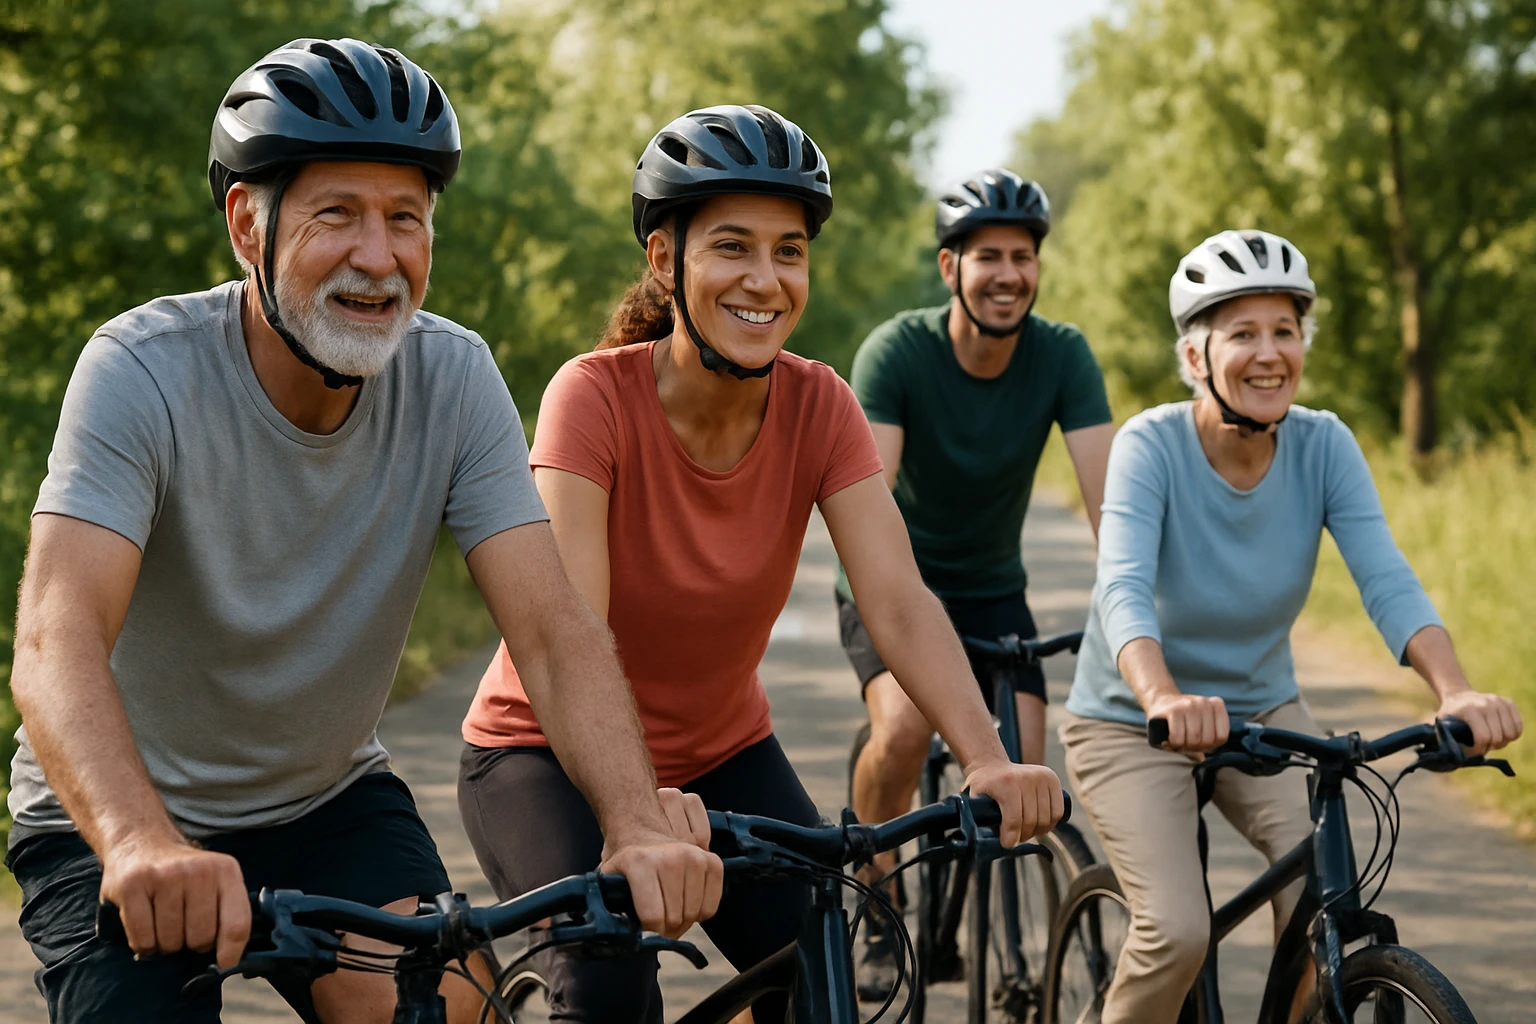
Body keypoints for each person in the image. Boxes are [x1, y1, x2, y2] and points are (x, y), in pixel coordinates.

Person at [5, 38, 717, 1024]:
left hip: (323, 803)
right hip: (115, 817)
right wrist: (138, 842)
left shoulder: (455, 377)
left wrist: (636, 824)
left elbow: (554, 631)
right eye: (337, 214)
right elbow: (54, 641)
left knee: (449, 1006)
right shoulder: (141, 369)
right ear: (246, 223)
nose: (378, 258)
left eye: (406, 219)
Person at [458, 106, 1066, 1022]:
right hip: (541, 752)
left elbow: (896, 597)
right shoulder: (592, 397)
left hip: (721, 753)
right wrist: (631, 811)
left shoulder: (820, 402)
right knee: (610, 980)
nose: (766, 279)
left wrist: (986, 758)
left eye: (789, 251)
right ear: (666, 261)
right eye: (733, 247)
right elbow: (566, 625)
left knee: (821, 975)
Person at [1060, 229, 1524, 1024]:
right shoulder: (1151, 444)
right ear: (1195, 356)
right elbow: (1123, 586)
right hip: (1130, 721)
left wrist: (1454, 691)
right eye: (1243, 333)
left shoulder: (1325, 444)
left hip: (1263, 714)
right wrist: (1162, 694)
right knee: (1175, 931)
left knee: (1328, 900)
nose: (1270, 353)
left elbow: (1385, 577)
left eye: (1286, 331)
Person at [837, 169, 1115, 994]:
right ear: (950, 266)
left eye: (1022, 256)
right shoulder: (898, 350)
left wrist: (1133, 605)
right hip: (891, 582)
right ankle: (881, 893)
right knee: (906, 729)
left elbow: (1112, 505)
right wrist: (906, 616)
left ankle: (998, 942)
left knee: (1022, 775)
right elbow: (869, 497)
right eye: (986, 254)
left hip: (995, 590)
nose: (1008, 273)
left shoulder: (1062, 355)